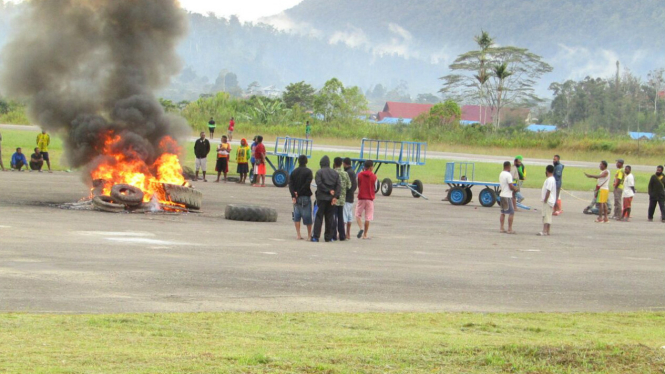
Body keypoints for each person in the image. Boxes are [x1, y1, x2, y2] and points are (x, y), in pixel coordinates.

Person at [312, 156, 341, 242]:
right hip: (331, 199)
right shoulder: (335, 173)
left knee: (319, 217)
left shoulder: (319, 172)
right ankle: (328, 237)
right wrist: (335, 196)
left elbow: (319, 184)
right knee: (330, 218)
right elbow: (339, 186)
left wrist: (328, 191)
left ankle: (316, 236)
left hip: (321, 198)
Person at [289, 155, 314, 240]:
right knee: (307, 216)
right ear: (306, 161)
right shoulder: (308, 172)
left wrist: (293, 194)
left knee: (297, 216)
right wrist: (298, 193)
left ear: (298, 161)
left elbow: (290, 184)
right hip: (305, 196)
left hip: (295, 198)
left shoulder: (294, 172)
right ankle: (309, 235)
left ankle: (298, 234)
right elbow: (307, 184)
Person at [355, 160, 377, 239]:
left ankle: (361, 227)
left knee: (358, 215)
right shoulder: (374, 176)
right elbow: (375, 188)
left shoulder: (360, 175)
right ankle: (365, 234)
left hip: (361, 197)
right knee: (368, 217)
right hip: (370, 198)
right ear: (371, 167)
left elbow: (359, 185)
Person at [332, 157, 351, 241]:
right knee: (341, 217)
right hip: (342, 198)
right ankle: (342, 235)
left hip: (334, 198)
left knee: (333, 217)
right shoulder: (345, 174)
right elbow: (349, 186)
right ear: (341, 164)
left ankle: (333, 234)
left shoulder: (332, 173)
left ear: (335, 163)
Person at [499, 161, 517, 234]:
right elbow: (510, 186)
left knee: (502, 212)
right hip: (507, 195)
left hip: (502, 194)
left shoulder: (501, 173)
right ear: (508, 166)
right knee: (511, 212)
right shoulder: (508, 175)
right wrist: (515, 189)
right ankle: (509, 229)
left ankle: (501, 228)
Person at [539, 165, 556, 236]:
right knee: (548, 216)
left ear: (547, 171)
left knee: (546, 216)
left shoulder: (550, 180)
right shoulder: (552, 179)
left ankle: (544, 231)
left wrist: (545, 199)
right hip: (550, 201)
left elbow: (548, 191)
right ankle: (548, 231)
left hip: (548, 201)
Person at [343, 157, 357, 240]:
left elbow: (347, 186)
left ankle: (343, 233)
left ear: (344, 163)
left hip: (346, 197)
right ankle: (348, 233)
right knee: (349, 216)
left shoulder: (347, 173)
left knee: (344, 216)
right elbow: (354, 185)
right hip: (351, 197)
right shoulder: (353, 172)